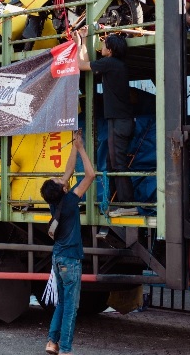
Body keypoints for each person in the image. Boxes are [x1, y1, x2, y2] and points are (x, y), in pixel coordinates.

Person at [40, 130, 95, 355]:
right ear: (63, 189)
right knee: (71, 308)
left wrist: (74, 145)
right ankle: (66, 349)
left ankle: (52, 343)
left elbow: (68, 172)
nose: (61, 177)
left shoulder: (56, 202)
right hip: (70, 260)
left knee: (62, 304)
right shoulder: (71, 201)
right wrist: (82, 149)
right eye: (59, 180)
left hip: (57, 258)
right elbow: (90, 175)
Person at [74, 26, 136, 216]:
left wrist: (79, 42)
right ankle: (118, 203)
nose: (101, 46)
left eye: (104, 45)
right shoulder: (117, 65)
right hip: (121, 121)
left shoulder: (110, 63)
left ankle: (129, 205)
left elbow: (80, 64)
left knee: (117, 164)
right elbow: (86, 63)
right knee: (112, 163)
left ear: (110, 50)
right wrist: (84, 40)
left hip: (119, 121)